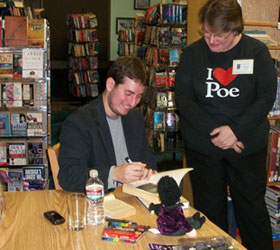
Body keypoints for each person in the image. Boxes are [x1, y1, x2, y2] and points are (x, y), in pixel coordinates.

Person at [174, 1, 276, 249]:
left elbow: (265, 98)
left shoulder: (257, 53)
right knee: (210, 213)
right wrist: (218, 134)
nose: (211, 41)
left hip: (245, 146)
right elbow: (185, 101)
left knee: (252, 211)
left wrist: (235, 132)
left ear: (236, 30)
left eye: (219, 36)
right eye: (207, 33)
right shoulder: (193, 54)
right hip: (204, 147)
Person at [58, 56, 157, 193]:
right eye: (128, 93)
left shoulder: (135, 119)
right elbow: (69, 176)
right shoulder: (79, 122)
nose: (133, 103)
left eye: (139, 96)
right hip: (98, 203)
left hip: (133, 199)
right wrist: (114, 174)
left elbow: (148, 160)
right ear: (110, 84)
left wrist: (148, 172)